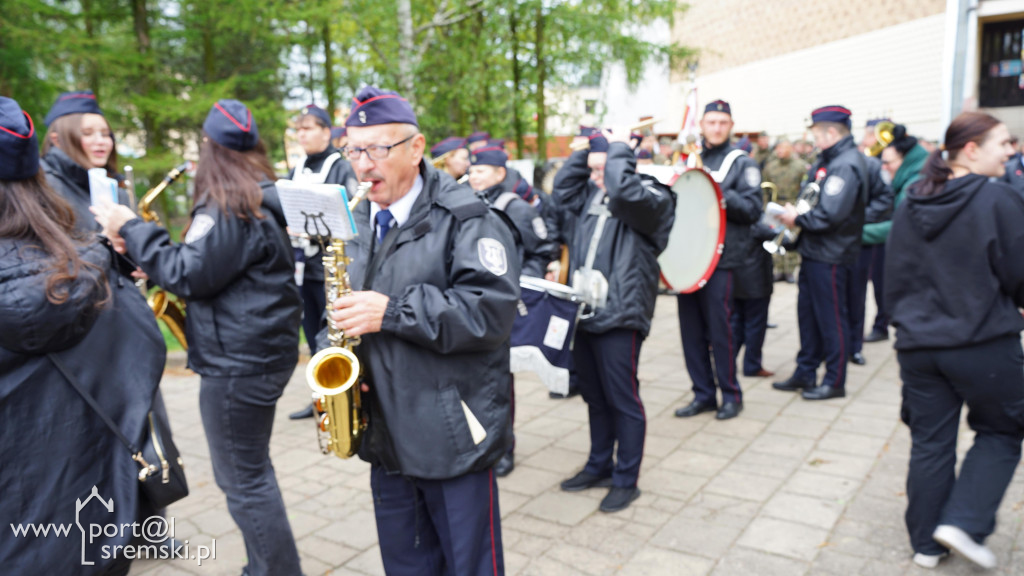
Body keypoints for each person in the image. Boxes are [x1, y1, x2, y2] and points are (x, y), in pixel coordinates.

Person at [92, 99, 303, 576]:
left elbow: (190, 275)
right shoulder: (257, 196)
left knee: (244, 481)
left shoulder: (229, 205)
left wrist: (132, 227)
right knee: (254, 472)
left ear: (211, 148)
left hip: (238, 364)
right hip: (261, 354)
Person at [327, 86, 519, 575]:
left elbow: (489, 313)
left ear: (416, 149)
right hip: (387, 432)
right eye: (353, 149)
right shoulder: (361, 218)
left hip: (452, 437)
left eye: (377, 149)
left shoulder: (469, 218)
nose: (362, 164)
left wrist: (391, 313)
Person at [0, 96, 166, 576]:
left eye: (104, 132)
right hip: (94, 520)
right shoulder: (88, 265)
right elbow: (145, 357)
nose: (100, 141)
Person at [885, 111, 1024, 570]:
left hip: (919, 347)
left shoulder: (912, 200)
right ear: (971, 149)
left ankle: (926, 544)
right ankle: (963, 522)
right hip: (980, 344)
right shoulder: (996, 199)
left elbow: (894, 277)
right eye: (1003, 142)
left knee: (931, 441)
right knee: (1004, 429)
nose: (1011, 150)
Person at [553, 126, 675, 512]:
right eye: (593, 170)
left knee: (622, 398)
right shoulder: (590, 191)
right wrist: (591, 149)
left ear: (626, 165)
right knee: (594, 395)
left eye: (604, 169)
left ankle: (627, 479)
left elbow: (623, 191)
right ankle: (599, 465)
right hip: (585, 311)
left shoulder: (653, 196)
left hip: (621, 313)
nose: (596, 177)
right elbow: (561, 192)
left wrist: (618, 149)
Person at [467, 145, 558, 477]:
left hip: (500, 307)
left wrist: (519, 284)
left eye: (481, 170)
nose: (473, 174)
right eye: (472, 169)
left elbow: (543, 250)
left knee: (498, 382)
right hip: (469, 304)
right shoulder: (463, 202)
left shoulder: (515, 207)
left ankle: (504, 448)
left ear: (499, 173)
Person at [674, 100, 762, 421]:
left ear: (731, 125)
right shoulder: (690, 157)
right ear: (703, 125)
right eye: (711, 122)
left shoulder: (742, 163)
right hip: (689, 256)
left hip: (721, 258)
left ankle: (731, 395)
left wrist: (714, 188)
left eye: (722, 123)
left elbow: (753, 208)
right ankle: (703, 394)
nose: (716, 128)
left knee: (721, 330)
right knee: (691, 332)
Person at [773, 105, 866, 401]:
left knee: (831, 319)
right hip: (815, 251)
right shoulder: (829, 160)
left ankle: (834, 380)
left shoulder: (845, 164)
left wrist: (796, 219)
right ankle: (806, 370)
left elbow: (831, 215)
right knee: (808, 316)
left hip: (832, 255)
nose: (812, 139)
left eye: (815, 133)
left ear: (830, 132)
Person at [286, 104, 359, 421]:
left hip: (330, 270)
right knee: (309, 333)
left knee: (330, 334)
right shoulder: (297, 167)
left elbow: (352, 217)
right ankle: (320, 396)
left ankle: (341, 396)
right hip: (303, 269)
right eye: (299, 129)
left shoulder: (340, 167)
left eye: (309, 128)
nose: (302, 134)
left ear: (327, 131)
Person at [863, 125, 928, 343]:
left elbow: (902, 226)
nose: (885, 168)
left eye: (889, 163)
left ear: (905, 159)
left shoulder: (915, 184)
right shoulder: (911, 177)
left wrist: (855, 233)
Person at [40, 90, 130, 236]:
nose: (101, 141)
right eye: (87, 133)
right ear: (57, 140)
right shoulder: (42, 185)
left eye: (106, 134)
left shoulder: (118, 191)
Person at [845, 149, 893, 366]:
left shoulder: (870, 165)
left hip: (859, 241)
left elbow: (885, 199)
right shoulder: (824, 161)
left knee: (856, 296)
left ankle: (854, 347)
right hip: (828, 243)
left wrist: (857, 220)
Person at [762, 138, 806, 282]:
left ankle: (790, 270)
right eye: (778, 148)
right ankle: (779, 269)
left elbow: (804, 187)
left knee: (790, 237)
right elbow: (765, 188)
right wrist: (765, 206)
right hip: (776, 204)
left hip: (792, 205)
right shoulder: (770, 167)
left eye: (783, 147)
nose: (779, 150)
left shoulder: (800, 166)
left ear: (790, 148)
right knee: (776, 237)